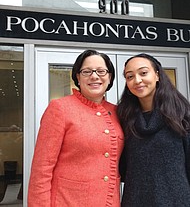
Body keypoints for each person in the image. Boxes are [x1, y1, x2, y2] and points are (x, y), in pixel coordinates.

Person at [28, 49, 124, 207]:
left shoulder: (117, 112)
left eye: (101, 71)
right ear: (78, 77)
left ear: (110, 77)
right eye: (87, 71)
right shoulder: (60, 108)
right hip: (69, 201)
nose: (94, 76)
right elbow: (42, 169)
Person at [117, 53, 190, 206]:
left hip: (177, 201)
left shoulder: (182, 115)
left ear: (157, 75)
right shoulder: (124, 118)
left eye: (143, 73)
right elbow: (123, 168)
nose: (137, 80)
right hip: (134, 201)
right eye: (130, 77)